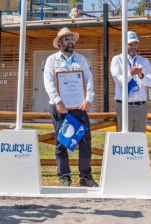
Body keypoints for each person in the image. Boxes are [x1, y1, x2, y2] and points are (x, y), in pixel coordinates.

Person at [43, 27, 96, 187]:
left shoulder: (81, 59)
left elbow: (88, 79)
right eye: (66, 39)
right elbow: (48, 82)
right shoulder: (52, 60)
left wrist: (89, 99)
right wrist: (58, 101)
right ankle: (64, 177)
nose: (70, 42)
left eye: (72, 39)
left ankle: (85, 176)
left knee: (85, 141)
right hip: (60, 108)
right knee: (61, 142)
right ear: (59, 43)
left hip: (79, 107)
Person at [109, 31, 151, 132]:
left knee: (139, 139)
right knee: (125, 139)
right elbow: (119, 82)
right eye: (130, 44)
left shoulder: (144, 61)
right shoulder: (117, 60)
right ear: (124, 44)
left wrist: (141, 75)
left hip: (141, 106)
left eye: (135, 43)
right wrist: (130, 73)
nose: (133, 46)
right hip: (124, 106)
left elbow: (150, 82)